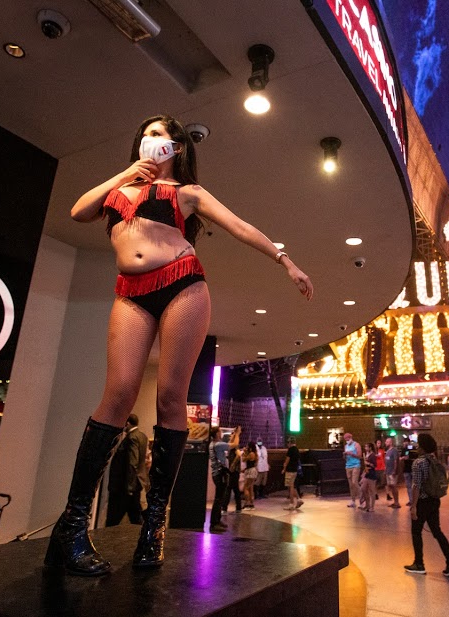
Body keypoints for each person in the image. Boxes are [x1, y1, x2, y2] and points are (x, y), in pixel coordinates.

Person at [43, 116, 313, 576]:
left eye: (162, 134)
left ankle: (154, 527)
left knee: (170, 397)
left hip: (182, 284)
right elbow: (77, 211)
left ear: (177, 149)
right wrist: (127, 175)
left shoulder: (189, 193)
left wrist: (285, 261)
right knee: (119, 393)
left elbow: (239, 226)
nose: (153, 140)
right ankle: (69, 528)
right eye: (147, 133)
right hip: (131, 290)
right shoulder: (118, 191)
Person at [405, 433, 449, 577]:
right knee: (437, 532)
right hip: (434, 500)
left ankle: (419, 563)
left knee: (416, 532)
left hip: (422, 502)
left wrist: (414, 506)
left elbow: (416, 486)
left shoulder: (418, 463)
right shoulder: (435, 460)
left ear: (422, 447)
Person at [105, 414, 149, 526]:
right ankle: (145, 538)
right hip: (136, 483)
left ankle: (106, 539)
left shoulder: (131, 437)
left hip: (124, 486)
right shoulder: (142, 436)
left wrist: (129, 487)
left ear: (128, 423)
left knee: (113, 518)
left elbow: (132, 462)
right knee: (135, 517)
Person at [208, 426, 240, 532]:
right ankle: (214, 523)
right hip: (220, 474)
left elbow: (228, 444)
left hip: (217, 474)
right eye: (220, 431)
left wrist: (234, 434)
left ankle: (217, 520)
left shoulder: (213, 444)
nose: (221, 433)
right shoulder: (218, 445)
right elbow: (234, 445)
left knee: (220, 498)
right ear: (217, 433)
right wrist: (238, 434)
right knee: (218, 499)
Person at [282, 436, 304, 510]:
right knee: (292, 485)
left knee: (290, 486)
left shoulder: (290, 450)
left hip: (290, 470)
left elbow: (287, 460)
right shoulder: (296, 450)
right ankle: (298, 499)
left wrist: (284, 468)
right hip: (295, 470)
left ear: (290, 442)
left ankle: (291, 503)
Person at [343, 433, 362, 508]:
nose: (346, 440)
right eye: (345, 439)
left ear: (350, 437)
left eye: (347, 438)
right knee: (351, 485)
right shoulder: (346, 446)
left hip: (355, 465)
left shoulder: (356, 445)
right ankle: (353, 500)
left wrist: (351, 454)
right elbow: (345, 458)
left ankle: (362, 499)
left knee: (355, 482)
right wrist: (344, 455)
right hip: (348, 466)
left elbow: (359, 456)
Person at [360, 442, 378, 512]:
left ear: (370, 448)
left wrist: (369, 463)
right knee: (363, 489)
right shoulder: (366, 455)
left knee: (372, 491)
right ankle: (367, 504)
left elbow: (374, 465)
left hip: (371, 474)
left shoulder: (372, 455)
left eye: (367, 447)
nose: (365, 448)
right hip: (366, 473)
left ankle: (371, 507)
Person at [384, 438, 401, 508]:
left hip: (392, 471)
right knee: (390, 486)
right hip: (388, 471)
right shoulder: (388, 451)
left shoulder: (394, 450)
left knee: (394, 486)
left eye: (387, 442)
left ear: (391, 443)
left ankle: (397, 502)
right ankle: (394, 502)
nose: (385, 443)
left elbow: (395, 461)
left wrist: (394, 470)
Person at [401, 437, 418, 506]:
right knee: (409, 486)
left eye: (406, 442)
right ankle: (411, 500)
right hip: (407, 469)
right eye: (405, 442)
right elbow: (402, 457)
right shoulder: (405, 449)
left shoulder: (412, 449)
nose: (405, 443)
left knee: (413, 486)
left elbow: (407, 457)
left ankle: (414, 500)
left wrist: (404, 457)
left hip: (412, 469)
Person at [242, 441, 259, 510]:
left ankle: (247, 503)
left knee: (245, 488)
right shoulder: (255, 454)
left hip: (250, 471)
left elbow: (243, 459)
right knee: (250, 488)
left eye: (247, 446)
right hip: (252, 470)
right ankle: (251, 503)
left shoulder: (251, 454)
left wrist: (244, 452)